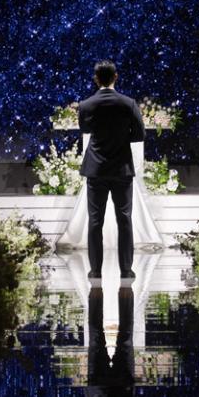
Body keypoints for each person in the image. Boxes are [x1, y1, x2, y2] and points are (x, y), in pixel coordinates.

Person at [77, 59, 145, 281]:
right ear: (116, 77)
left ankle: (95, 270)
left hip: (96, 169)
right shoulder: (128, 103)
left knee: (95, 221)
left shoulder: (86, 105)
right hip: (121, 169)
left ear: (96, 79)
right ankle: (126, 269)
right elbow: (139, 135)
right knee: (124, 220)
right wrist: (121, 137)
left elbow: (85, 128)